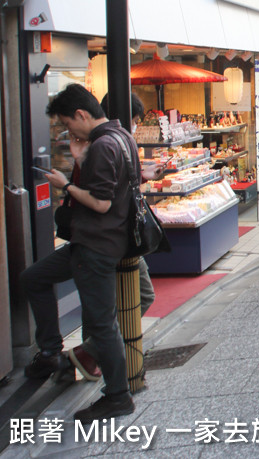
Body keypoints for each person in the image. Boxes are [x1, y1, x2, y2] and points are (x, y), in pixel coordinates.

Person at [22, 84, 139, 421]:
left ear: (82, 114)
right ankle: (49, 351)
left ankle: (118, 396)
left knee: (103, 325)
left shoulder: (103, 145)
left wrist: (66, 184)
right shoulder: (121, 136)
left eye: (66, 123)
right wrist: (79, 161)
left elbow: (101, 202)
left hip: (96, 246)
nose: (66, 130)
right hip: (97, 243)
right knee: (33, 278)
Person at [65, 93, 160, 383]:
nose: (132, 125)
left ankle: (88, 355)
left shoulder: (112, 140)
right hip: (102, 241)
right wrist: (69, 182)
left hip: (115, 237)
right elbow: (98, 199)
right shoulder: (98, 144)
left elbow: (113, 185)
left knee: (123, 303)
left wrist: (141, 176)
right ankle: (101, 370)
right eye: (132, 118)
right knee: (104, 310)